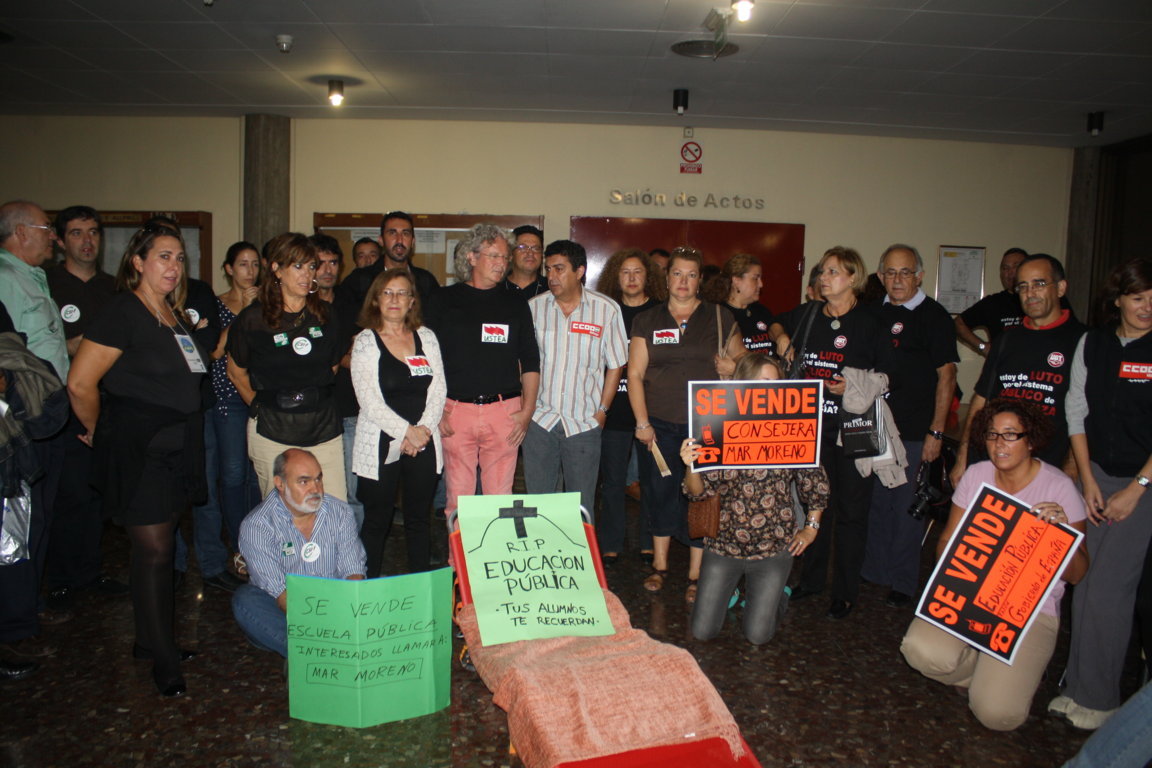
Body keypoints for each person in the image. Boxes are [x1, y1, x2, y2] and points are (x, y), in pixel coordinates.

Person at [67, 225, 209, 697]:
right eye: (163, 257)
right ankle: (162, 656)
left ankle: (149, 640)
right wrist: (93, 430)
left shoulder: (170, 313)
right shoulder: (122, 311)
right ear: (138, 262)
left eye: (179, 258)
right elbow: (80, 383)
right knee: (154, 552)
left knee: (162, 547)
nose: (173, 267)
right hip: (140, 448)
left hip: (177, 448)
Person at [902, 399, 1088, 731]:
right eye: (991, 435)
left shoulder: (1060, 488)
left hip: (1030, 609)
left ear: (1030, 440)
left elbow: (1078, 574)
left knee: (997, 715)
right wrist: (951, 579)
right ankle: (980, 666)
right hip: (972, 594)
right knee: (919, 651)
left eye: (1010, 435)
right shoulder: (977, 474)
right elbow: (946, 540)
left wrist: (1062, 534)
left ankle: (1004, 672)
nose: (999, 444)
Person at [1051, 258, 1152, 731]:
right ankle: (1076, 688)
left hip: (1143, 484)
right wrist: (1086, 480)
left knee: (1112, 591)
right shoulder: (1094, 343)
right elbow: (1077, 410)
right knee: (1084, 582)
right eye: (1137, 298)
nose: (1146, 307)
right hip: (1093, 478)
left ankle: (1101, 699)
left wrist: (1137, 489)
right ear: (1118, 300)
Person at [680, 353, 829, 644]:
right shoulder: (716, 422)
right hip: (723, 545)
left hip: (773, 547)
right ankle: (732, 591)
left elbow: (816, 483)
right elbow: (697, 494)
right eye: (761, 382)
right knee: (702, 631)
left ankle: (778, 597)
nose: (769, 390)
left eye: (775, 384)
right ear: (741, 385)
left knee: (758, 636)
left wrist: (811, 527)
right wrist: (690, 464)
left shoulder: (792, 427)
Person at [628, 246, 745, 602]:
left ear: (700, 280)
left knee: (701, 498)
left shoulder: (719, 316)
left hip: (707, 425)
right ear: (667, 278)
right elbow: (634, 374)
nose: (683, 281)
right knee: (660, 493)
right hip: (659, 425)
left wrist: (733, 367)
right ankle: (660, 567)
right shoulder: (647, 320)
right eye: (677, 273)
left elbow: (746, 365)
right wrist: (642, 423)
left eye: (691, 275)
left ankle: (696, 574)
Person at [770, 246, 879, 620]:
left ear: (853, 278)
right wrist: (784, 340)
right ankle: (812, 580)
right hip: (811, 426)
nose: (823, 277)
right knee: (816, 501)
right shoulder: (810, 312)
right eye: (822, 272)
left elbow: (890, 375)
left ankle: (845, 591)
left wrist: (851, 386)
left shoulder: (869, 321)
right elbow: (774, 322)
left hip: (856, 425)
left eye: (833, 272)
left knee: (852, 509)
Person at [863, 244, 958, 608]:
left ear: (919, 275)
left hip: (916, 431)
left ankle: (902, 581)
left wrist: (936, 432)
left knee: (906, 509)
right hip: (873, 428)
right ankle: (874, 572)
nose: (897, 279)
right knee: (876, 505)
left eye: (905, 272)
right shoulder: (872, 314)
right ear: (880, 276)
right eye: (890, 272)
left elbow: (946, 377)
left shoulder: (934, 316)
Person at [424, 224, 540, 517]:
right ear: (472, 258)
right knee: (457, 500)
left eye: (505, 257)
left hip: (504, 411)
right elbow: (425, 359)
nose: (502, 264)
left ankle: (493, 562)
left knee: (500, 501)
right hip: (454, 411)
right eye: (494, 256)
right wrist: (434, 411)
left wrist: (527, 412)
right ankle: (458, 562)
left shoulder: (515, 303)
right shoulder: (442, 300)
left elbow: (530, 360)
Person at [42, 206, 124, 608]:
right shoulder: (48, 284)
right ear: (60, 240)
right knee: (67, 493)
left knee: (97, 492)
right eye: (76, 233)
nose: (87, 241)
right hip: (66, 399)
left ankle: (91, 571)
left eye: (93, 232)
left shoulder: (113, 288)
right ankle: (59, 577)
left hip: (111, 400)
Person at [0, 200, 71, 657]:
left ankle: (31, 604)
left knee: (38, 516)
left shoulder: (34, 277)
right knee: (17, 524)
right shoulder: (5, 280)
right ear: (20, 232)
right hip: (17, 424)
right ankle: (15, 623)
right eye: (47, 228)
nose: (54, 236)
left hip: (47, 414)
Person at [227, 233, 347, 500]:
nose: (307, 274)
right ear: (276, 269)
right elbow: (236, 372)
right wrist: (261, 406)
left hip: (322, 428)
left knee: (332, 510)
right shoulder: (253, 319)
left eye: (311, 266)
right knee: (283, 517)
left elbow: (333, 366)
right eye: (297, 266)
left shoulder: (326, 316)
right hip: (272, 430)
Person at [952, 254, 1086, 486]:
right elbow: (980, 403)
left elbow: (1087, 412)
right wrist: (963, 456)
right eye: (1022, 286)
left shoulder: (1083, 341)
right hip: (991, 464)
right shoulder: (1006, 341)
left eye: (1039, 284)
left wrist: (1073, 468)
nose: (1030, 293)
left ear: (1061, 288)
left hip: (1046, 469)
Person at [351, 269, 445, 576]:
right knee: (377, 521)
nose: (395, 299)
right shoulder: (366, 341)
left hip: (424, 439)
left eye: (402, 293)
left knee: (419, 520)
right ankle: (365, 593)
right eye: (388, 292)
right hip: (378, 440)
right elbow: (369, 400)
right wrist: (407, 432)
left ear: (412, 301)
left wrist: (422, 432)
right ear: (376, 300)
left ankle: (420, 594)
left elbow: (438, 389)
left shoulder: (426, 337)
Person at [524, 240, 627, 516]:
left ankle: (578, 558)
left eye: (559, 269)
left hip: (583, 424)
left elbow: (616, 364)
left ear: (580, 271)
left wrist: (602, 412)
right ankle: (541, 556)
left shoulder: (606, 310)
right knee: (539, 507)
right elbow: (522, 364)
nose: (552, 277)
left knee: (580, 509)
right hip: (540, 422)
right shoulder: (534, 308)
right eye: (548, 269)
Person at [232, 449, 366, 658]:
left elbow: (353, 571)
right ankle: (315, 652)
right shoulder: (257, 526)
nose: (315, 489)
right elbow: (281, 594)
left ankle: (306, 651)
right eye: (304, 482)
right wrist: (318, 627)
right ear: (280, 483)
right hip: (287, 612)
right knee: (245, 601)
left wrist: (348, 611)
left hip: (334, 606)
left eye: (318, 479)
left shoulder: (339, 512)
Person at [192, 241, 263, 593]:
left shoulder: (266, 303)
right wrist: (242, 315)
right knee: (232, 473)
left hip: (258, 394)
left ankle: (254, 543)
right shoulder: (216, 303)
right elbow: (216, 351)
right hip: (226, 397)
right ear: (229, 269)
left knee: (254, 474)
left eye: (254, 264)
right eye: (242, 264)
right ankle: (238, 546)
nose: (249, 271)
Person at [594, 248, 664, 563]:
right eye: (625, 272)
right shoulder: (605, 311)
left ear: (648, 275)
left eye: (637, 271)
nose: (632, 278)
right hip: (614, 412)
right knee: (611, 482)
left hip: (653, 413)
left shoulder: (661, 313)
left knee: (652, 480)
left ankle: (650, 541)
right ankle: (611, 542)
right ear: (615, 277)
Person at [955, 247, 1029, 356]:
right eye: (1005, 268)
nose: (1010, 272)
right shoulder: (993, 303)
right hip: (1002, 368)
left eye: (1016, 266)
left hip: (1037, 368)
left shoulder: (1041, 299)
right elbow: (958, 324)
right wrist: (983, 347)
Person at [704, 253, 774, 353]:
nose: (761, 284)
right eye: (755, 278)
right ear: (736, 280)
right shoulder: (719, 314)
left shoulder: (761, 311)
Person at [503, 225, 549, 298]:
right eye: (523, 247)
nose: (530, 253)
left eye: (536, 248)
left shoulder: (551, 289)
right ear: (511, 253)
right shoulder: (496, 287)